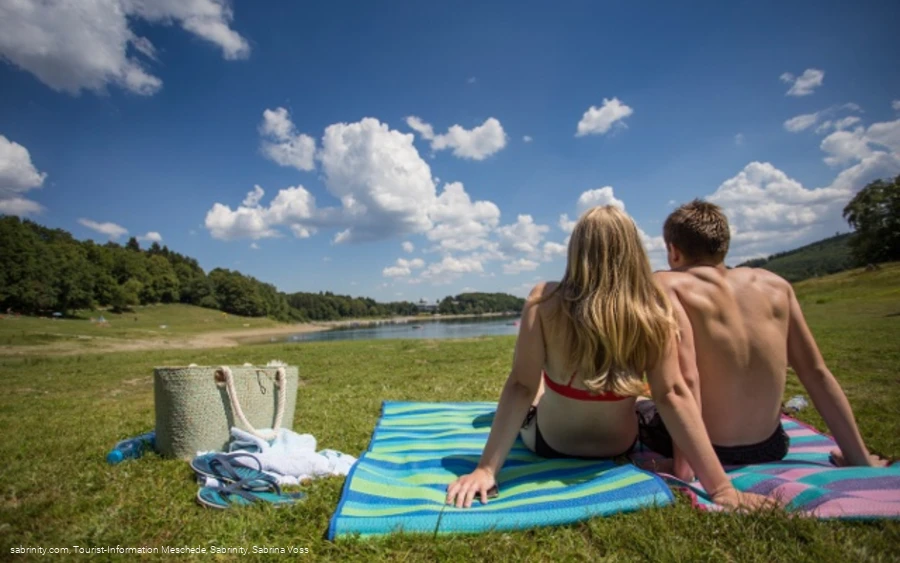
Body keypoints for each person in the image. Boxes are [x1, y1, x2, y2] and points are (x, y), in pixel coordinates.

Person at [445, 205, 770, 509]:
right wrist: (722, 488)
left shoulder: (545, 300)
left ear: (576, 250)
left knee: (538, 388)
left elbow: (519, 386)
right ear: (633, 251)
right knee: (639, 398)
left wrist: (486, 470)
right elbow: (672, 395)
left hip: (551, 443)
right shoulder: (654, 309)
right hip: (619, 446)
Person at [639, 199, 887, 475]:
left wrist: (683, 468)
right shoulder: (776, 285)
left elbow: (684, 381)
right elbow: (816, 373)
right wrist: (859, 457)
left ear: (673, 251)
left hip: (705, 448)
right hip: (770, 447)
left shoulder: (666, 284)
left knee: (639, 405)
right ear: (723, 245)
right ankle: (858, 457)